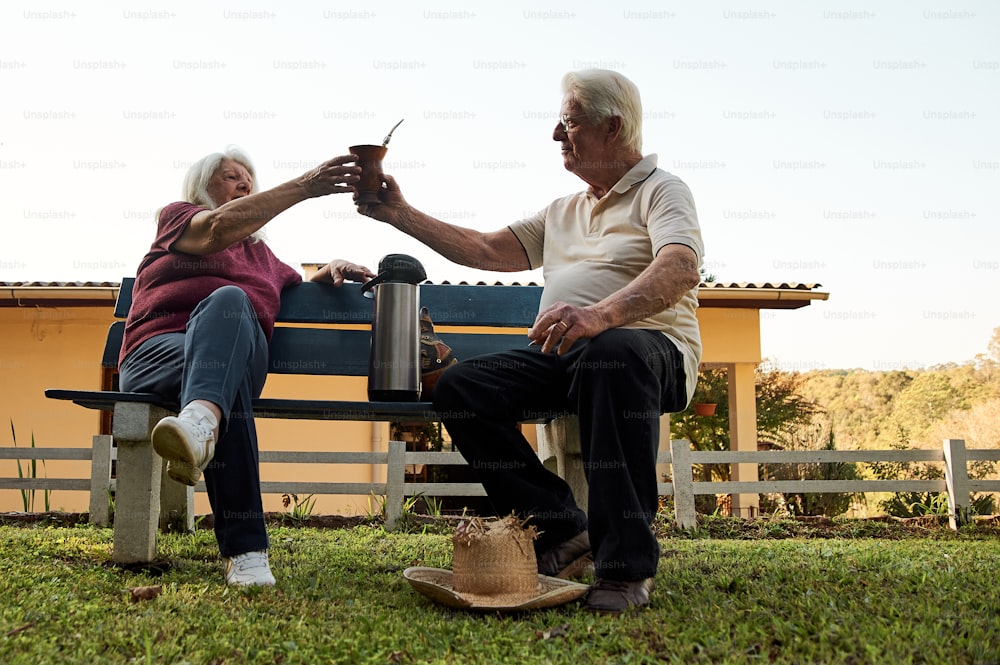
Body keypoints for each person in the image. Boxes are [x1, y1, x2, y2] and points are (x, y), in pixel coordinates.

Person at [357, 69, 703, 613]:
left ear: (611, 127)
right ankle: (561, 527)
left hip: (648, 353)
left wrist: (600, 315)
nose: (555, 135)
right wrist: (399, 213)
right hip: (566, 356)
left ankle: (624, 568)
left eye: (569, 122)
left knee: (612, 354)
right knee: (462, 387)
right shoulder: (563, 209)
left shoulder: (662, 191)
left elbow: (680, 266)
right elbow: (486, 249)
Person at [118, 146, 374, 587]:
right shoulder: (179, 218)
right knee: (226, 377)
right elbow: (215, 228)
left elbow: (299, 284)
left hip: (233, 358)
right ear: (201, 187)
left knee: (231, 314)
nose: (244, 184)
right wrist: (306, 186)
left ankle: (199, 425)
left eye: (248, 178)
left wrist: (329, 267)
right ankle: (247, 552)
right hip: (158, 354)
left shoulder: (264, 259)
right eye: (231, 177)